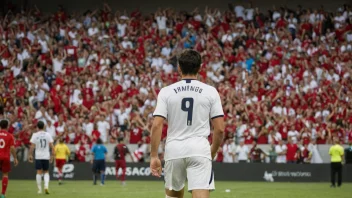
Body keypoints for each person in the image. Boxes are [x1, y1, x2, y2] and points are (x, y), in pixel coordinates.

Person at [150, 49, 225, 198]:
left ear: (179, 67)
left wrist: (153, 156)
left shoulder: (166, 92)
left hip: (174, 149)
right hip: (199, 148)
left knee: (173, 196)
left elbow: (157, 125)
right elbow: (220, 129)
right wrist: (213, 150)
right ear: (200, 67)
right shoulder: (210, 91)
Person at [28, 121, 55, 194]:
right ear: (43, 127)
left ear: (37, 127)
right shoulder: (48, 135)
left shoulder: (35, 135)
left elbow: (32, 146)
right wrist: (52, 155)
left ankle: (39, 190)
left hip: (38, 156)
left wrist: (30, 155)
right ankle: (46, 186)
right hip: (46, 156)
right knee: (46, 171)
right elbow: (52, 146)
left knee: (39, 172)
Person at [0, 120, 19, 198]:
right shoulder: (10, 135)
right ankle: (3, 194)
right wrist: (15, 158)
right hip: (5, 157)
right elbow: (12, 148)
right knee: (5, 175)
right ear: (7, 126)